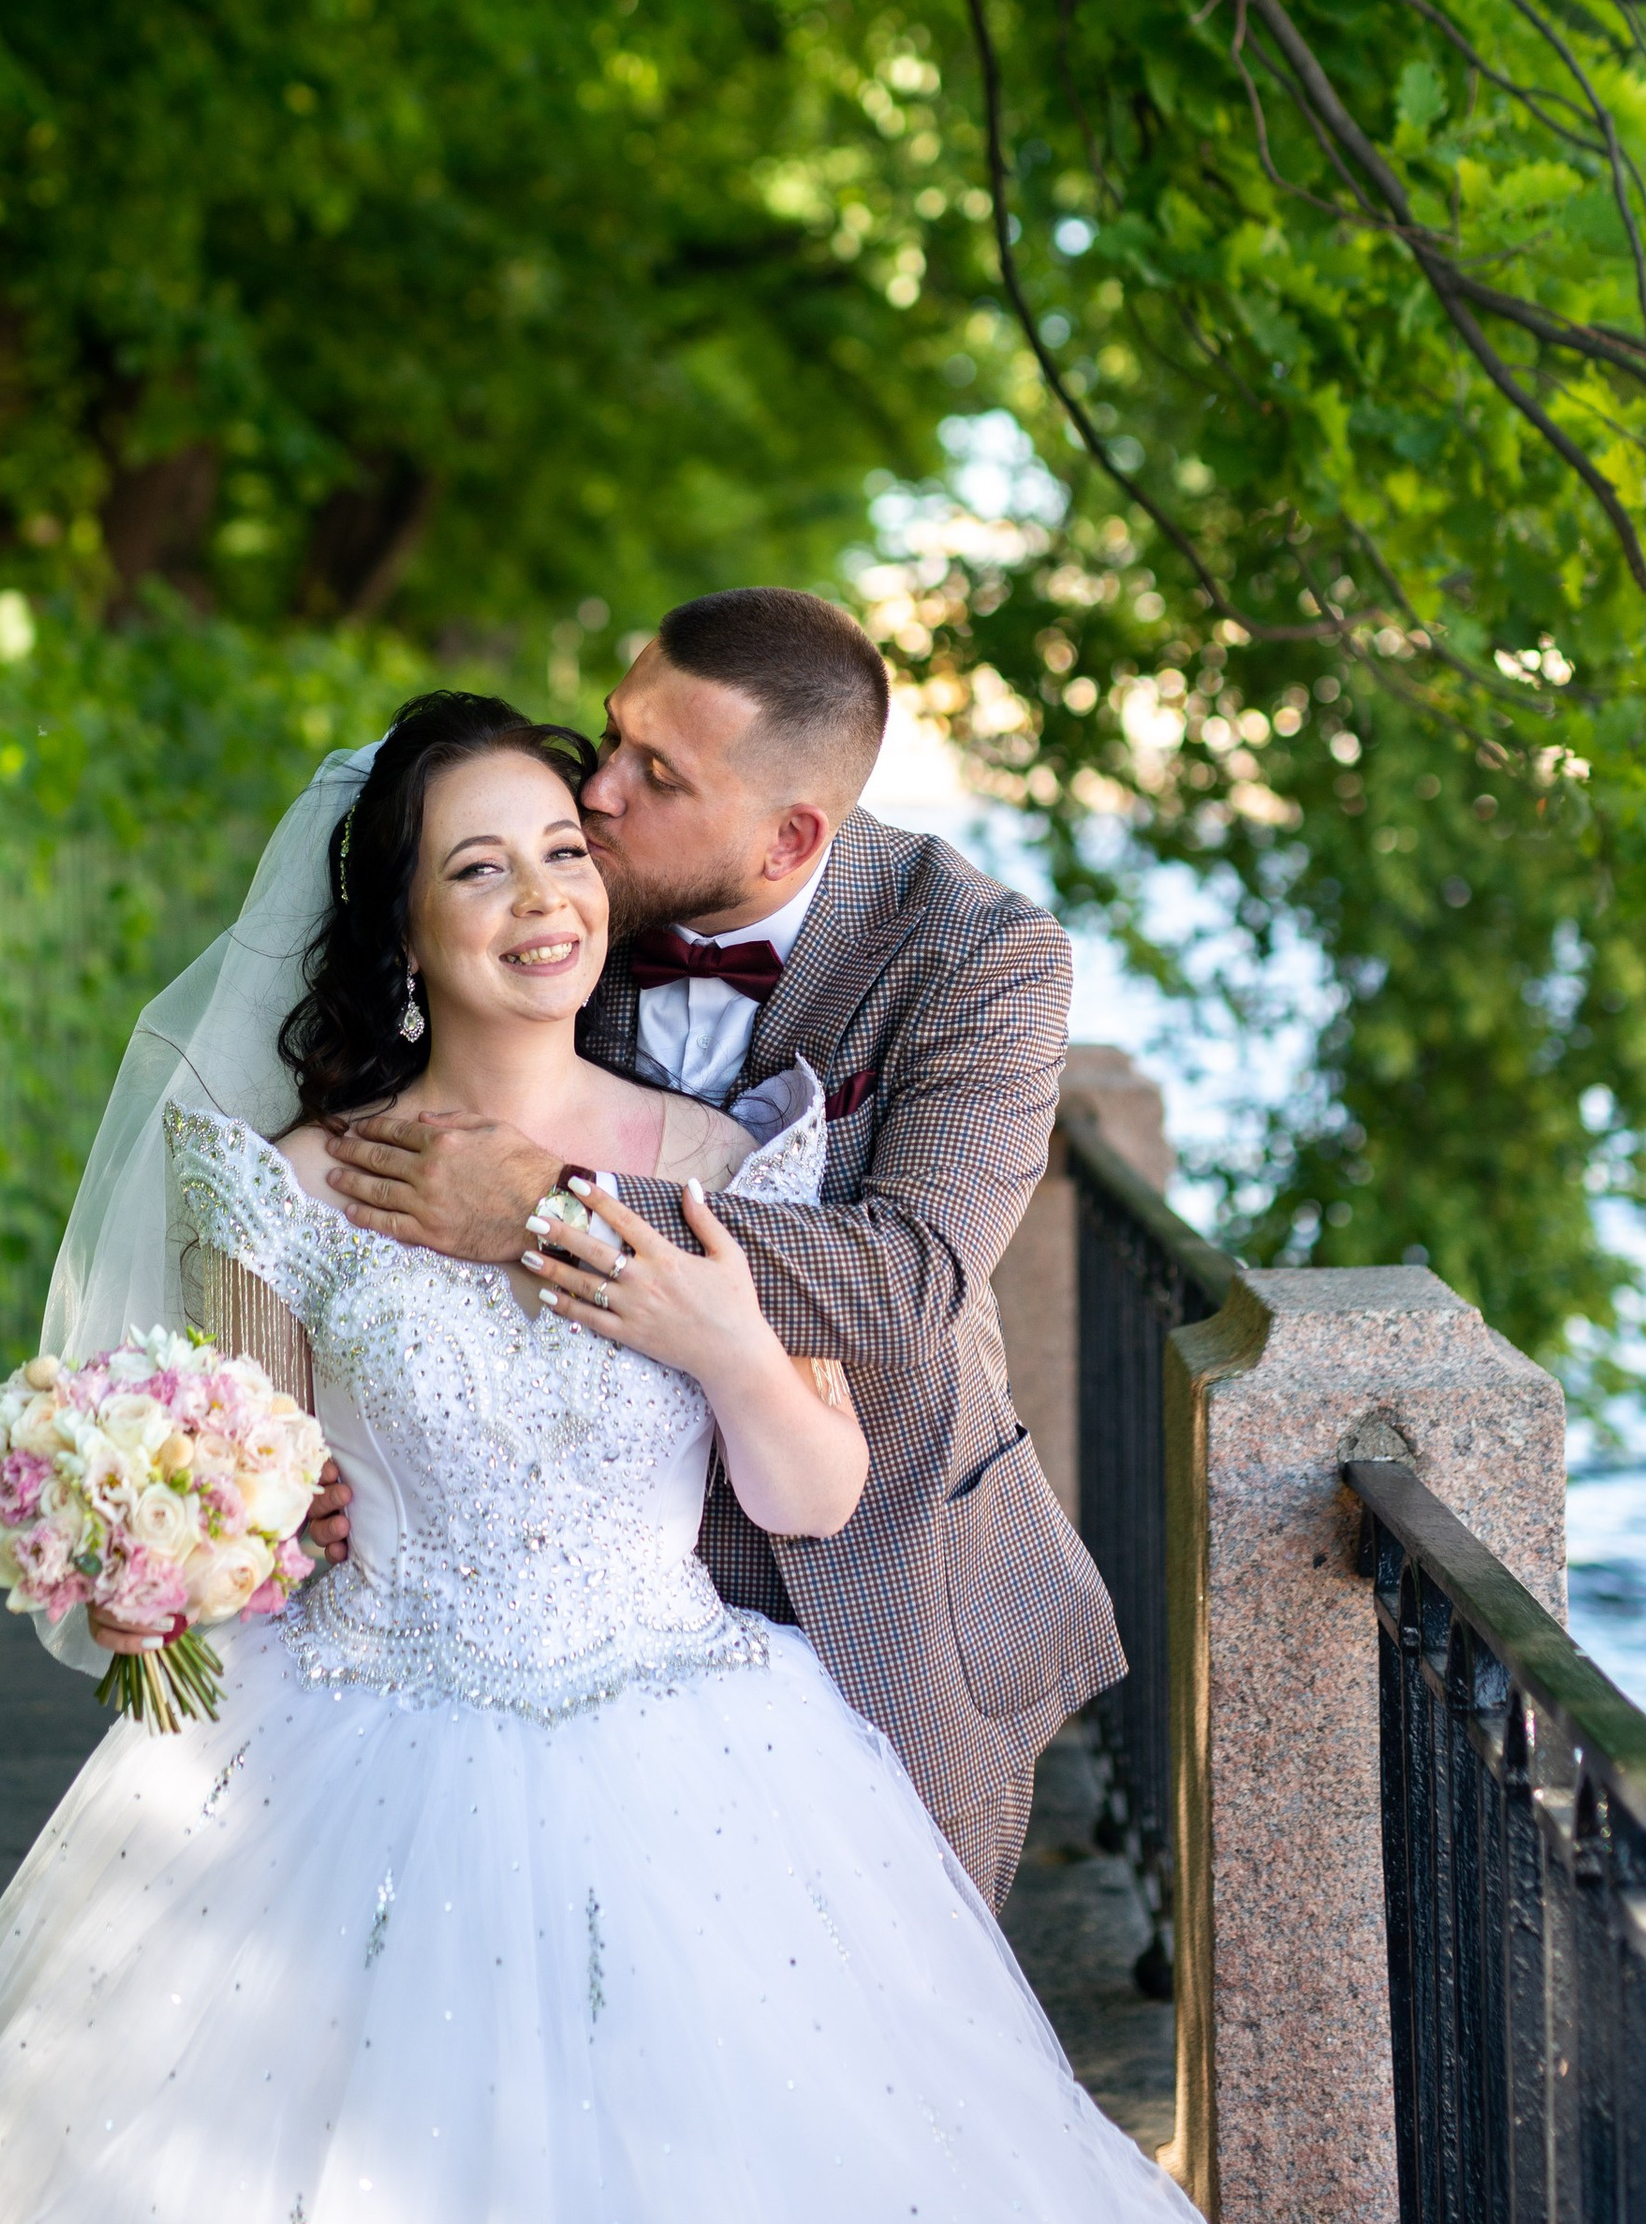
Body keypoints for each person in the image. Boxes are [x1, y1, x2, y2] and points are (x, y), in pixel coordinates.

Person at [0, 692, 1320, 2224]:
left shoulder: (726, 1151)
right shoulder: (295, 1178)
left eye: (566, 850)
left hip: (689, 1746)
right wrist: (186, 1534)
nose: (542, 899)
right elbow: (246, 1482)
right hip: (362, 1741)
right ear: (401, 925)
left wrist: (725, 1337)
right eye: (478, 865)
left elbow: (814, 1478)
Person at [325, 588, 1122, 1902]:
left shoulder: (977, 958)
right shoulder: (559, 900)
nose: (596, 797)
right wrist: (327, 1462)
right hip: (557, 1619)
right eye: (612, 735)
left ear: (788, 835)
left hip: (886, 1581)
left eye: (657, 773)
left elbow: (907, 1283)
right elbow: (392, 1169)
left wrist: (550, 1206)